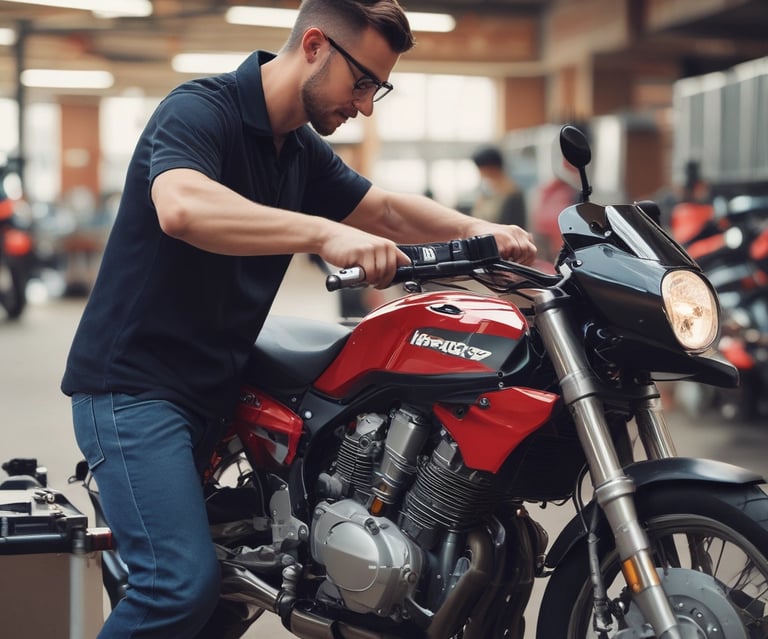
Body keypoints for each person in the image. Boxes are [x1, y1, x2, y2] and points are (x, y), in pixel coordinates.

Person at [60, 1, 537, 637]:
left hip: (215, 386)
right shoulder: (202, 109)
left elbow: (387, 210)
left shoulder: (297, 152)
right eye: (362, 81)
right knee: (175, 587)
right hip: (135, 388)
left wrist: (482, 232)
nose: (366, 105)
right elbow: (181, 205)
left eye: (379, 89)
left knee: (223, 598)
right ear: (314, 44)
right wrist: (321, 234)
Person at [470, 145, 527, 228]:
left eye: (480, 169)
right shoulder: (488, 191)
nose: (480, 173)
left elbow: (514, 227)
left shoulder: (512, 194)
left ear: (491, 168)